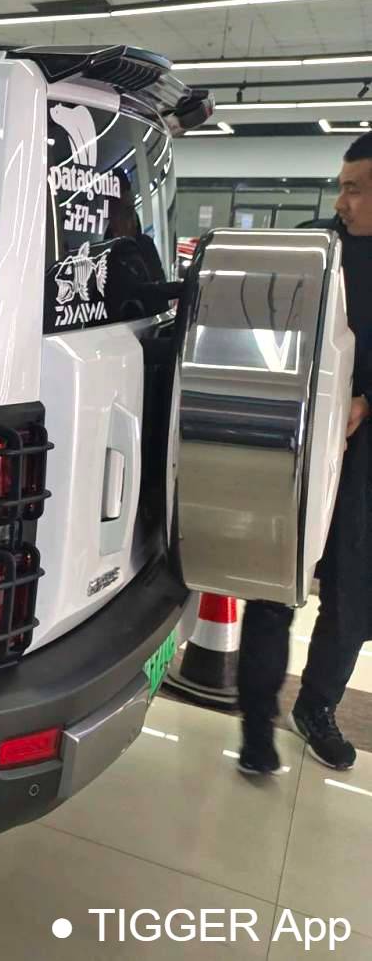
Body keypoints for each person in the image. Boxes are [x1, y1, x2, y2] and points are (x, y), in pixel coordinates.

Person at [237, 132, 372, 774]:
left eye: (355, 189)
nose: (340, 201)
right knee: (274, 580)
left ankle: (316, 707)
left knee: (350, 591)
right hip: (298, 442)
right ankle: (255, 726)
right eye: (340, 186)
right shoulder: (314, 248)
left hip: (363, 460)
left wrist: (366, 400)